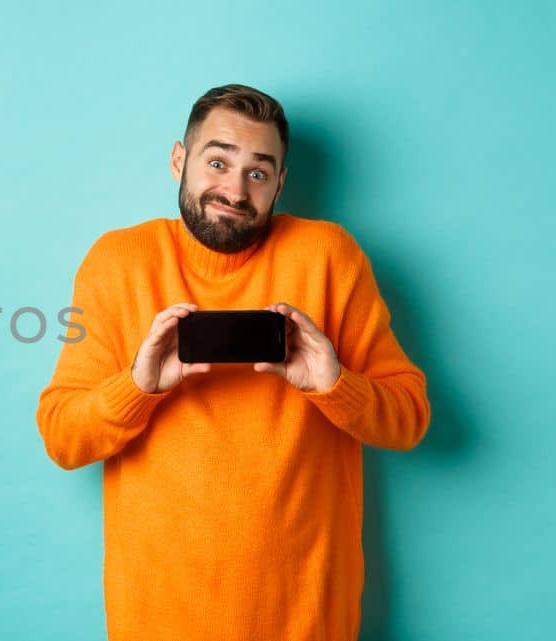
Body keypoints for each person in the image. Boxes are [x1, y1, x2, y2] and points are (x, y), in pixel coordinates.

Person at [35, 83, 431, 640]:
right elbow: (62, 437)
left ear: (280, 184)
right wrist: (137, 387)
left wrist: (336, 385)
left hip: (307, 614)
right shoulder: (118, 263)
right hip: (160, 617)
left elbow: (411, 416)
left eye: (258, 172)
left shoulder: (328, 256)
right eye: (217, 161)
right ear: (180, 160)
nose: (234, 190)